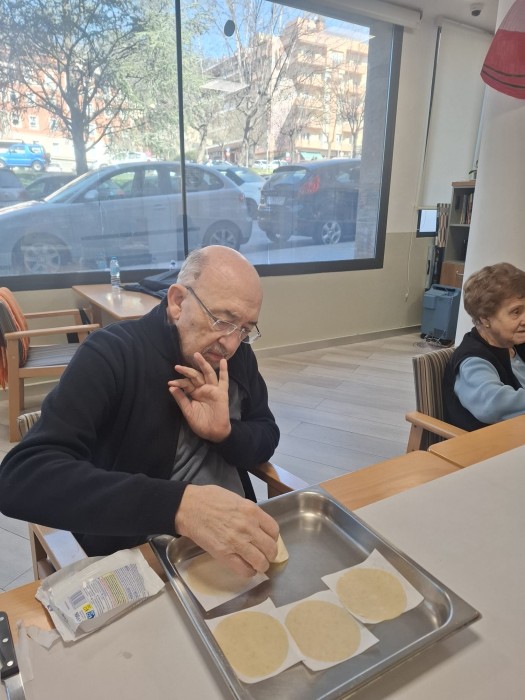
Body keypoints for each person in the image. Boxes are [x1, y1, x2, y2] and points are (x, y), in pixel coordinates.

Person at [0, 246, 280, 577]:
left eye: (245, 329)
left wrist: (225, 434)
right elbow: (21, 477)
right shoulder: (113, 354)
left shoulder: (237, 357)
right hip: (142, 557)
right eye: (222, 320)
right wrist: (181, 507)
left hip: (234, 542)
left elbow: (266, 433)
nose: (231, 344)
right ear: (178, 302)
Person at [443, 262, 525, 431]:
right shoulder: (472, 360)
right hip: (490, 443)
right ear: (485, 318)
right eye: (516, 312)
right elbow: (494, 405)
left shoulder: (515, 343)